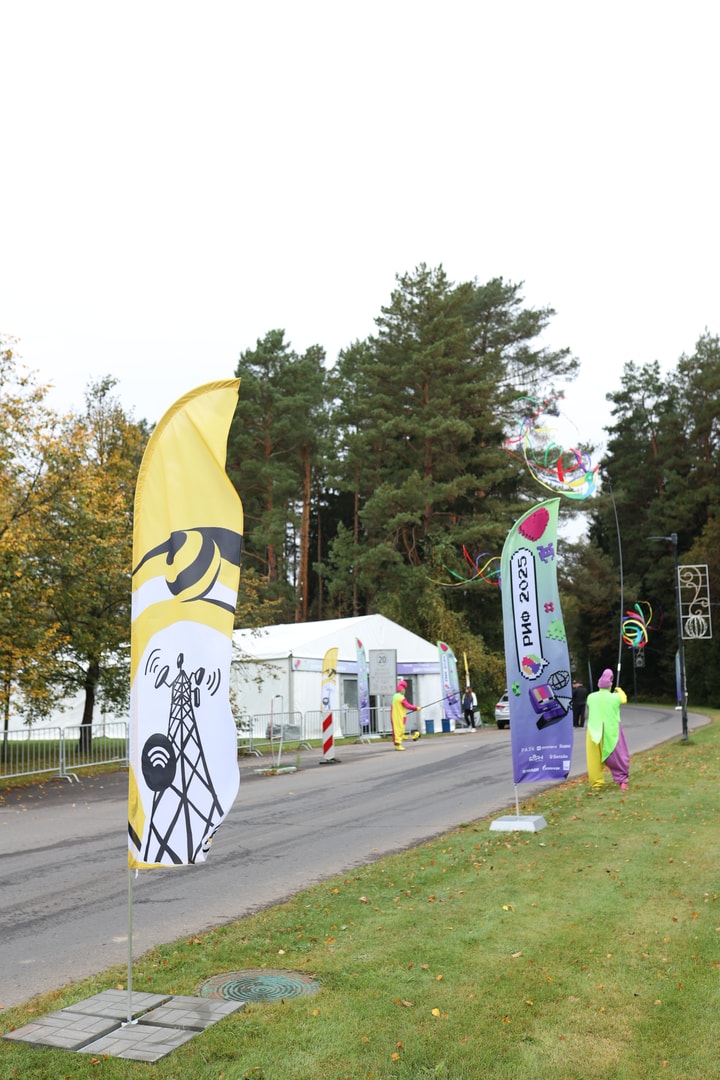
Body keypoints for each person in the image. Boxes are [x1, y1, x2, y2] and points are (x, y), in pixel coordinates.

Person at [585, 668, 629, 790]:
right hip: (611, 731)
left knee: (594, 758)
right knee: (618, 756)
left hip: (594, 731)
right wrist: (619, 690)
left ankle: (596, 784)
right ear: (610, 684)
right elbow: (624, 699)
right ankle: (622, 780)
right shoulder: (615, 697)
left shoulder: (590, 697)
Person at [391, 679, 421, 750]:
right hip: (399, 717)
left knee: (398, 730)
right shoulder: (401, 697)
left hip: (396, 715)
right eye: (404, 689)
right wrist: (416, 708)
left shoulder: (395, 696)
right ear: (401, 689)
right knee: (399, 730)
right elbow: (407, 705)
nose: (404, 690)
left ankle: (398, 744)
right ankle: (398, 745)